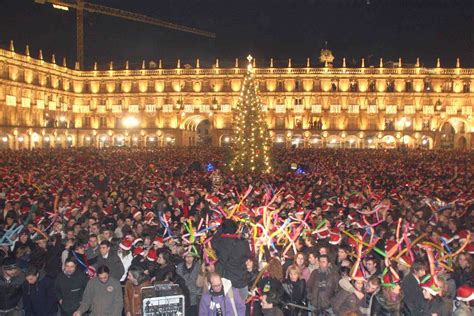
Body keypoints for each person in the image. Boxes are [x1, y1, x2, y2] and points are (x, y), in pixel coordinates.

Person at [212, 219, 251, 301]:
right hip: (241, 282)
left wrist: (220, 229)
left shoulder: (220, 243)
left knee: (229, 309)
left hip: (228, 284)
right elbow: (249, 256)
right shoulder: (243, 243)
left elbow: (214, 240)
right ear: (236, 229)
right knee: (240, 309)